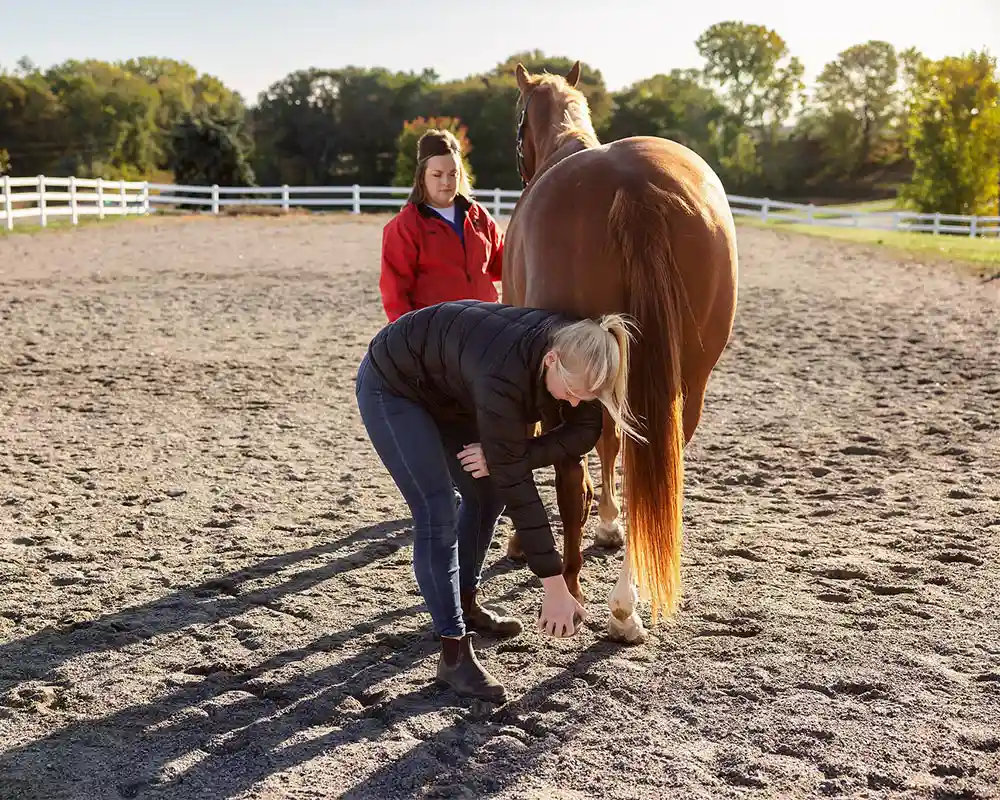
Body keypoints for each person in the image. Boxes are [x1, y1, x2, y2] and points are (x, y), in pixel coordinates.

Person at [354, 300, 642, 703]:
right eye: (572, 393)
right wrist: (555, 585)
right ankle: (453, 652)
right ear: (551, 360)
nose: (575, 403)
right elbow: (520, 489)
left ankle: (465, 603)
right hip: (394, 386)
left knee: (486, 495)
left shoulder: (583, 355)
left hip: (451, 391)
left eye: (586, 396)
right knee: (437, 511)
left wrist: (509, 453)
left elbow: (580, 434)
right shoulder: (503, 376)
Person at [379, 129, 504, 323]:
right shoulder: (404, 227)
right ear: (422, 176)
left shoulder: (478, 216)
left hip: (486, 323)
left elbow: (506, 264)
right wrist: (410, 334)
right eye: (437, 175)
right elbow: (395, 292)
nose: (446, 182)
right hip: (437, 331)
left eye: (453, 174)